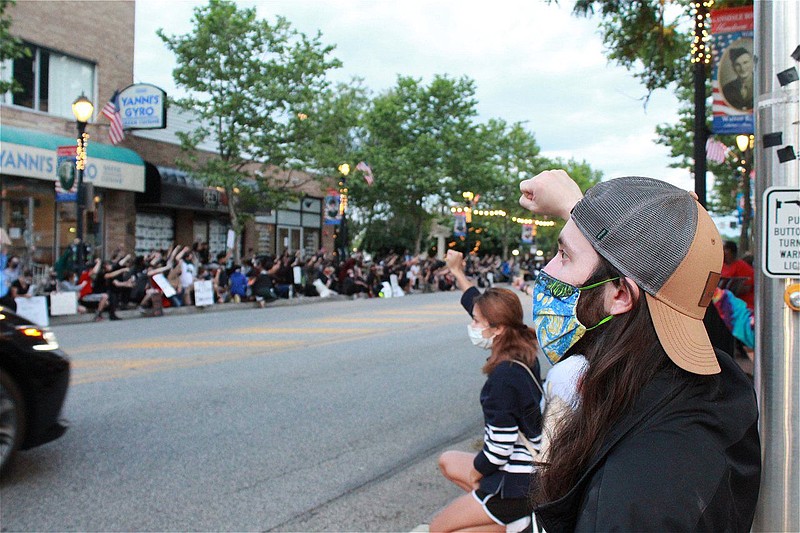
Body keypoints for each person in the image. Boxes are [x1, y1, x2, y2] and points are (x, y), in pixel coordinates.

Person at [517, 170, 761, 531]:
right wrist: (580, 207)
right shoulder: (711, 389)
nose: (548, 271)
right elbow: (638, 268)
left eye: (563, 255)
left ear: (620, 295)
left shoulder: (633, 500)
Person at [430, 257, 543, 533]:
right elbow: (476, 301)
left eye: (478, 321)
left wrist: (476, 473)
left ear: (498, 328)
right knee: (448, 460)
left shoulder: (503, 379)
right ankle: (512, 523)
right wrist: (458, 272)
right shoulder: (524, 348)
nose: (473, 326)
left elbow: (499, 448)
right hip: (531, 472)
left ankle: (512, 518)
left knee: (438, 529)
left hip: (515, 484)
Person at [721, 240, 755, 310]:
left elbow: (747, 287)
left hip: (742, 307)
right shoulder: (721, 266)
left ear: (730, 251)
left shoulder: (742, 266)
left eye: (724, 249)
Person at [722, 47, 754, 111]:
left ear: (752, 63)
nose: (742, 68)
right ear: (733, 67)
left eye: (745, 62)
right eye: (737, 65)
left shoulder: (761, 84)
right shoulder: (727, 89)